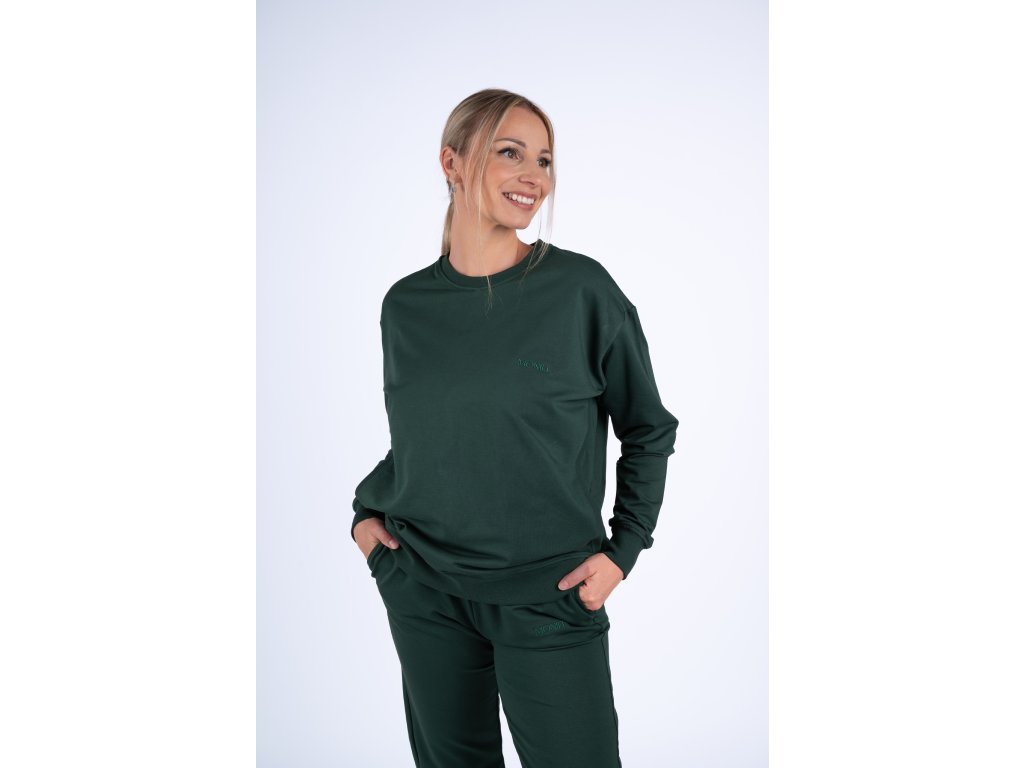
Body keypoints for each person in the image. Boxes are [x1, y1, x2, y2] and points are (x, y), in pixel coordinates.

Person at [350, 88, 679, 768]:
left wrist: (623, 551)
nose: (534, 176)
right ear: (452, 162)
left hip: (549, 594)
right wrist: (366, 518)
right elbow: (425, 434)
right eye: (510, 153)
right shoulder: (406, 306)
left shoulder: (581, 291)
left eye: (545, 160)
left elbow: (648, 428)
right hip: (424, 588)